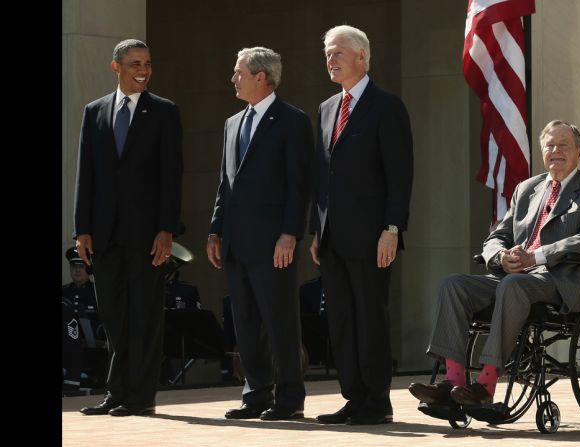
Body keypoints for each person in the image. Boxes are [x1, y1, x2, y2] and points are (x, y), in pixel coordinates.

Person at [408, 120, 580, 409]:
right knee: (453, 284)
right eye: (549, 145)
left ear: (578, 152)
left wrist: (535, 257)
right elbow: (497, 236)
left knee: (513, 285)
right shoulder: (527, 189)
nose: (555, 151)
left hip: (560, 279)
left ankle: (485, 385)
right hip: (515, 275)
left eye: (563, 144)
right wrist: (501, 257)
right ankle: (454, 383)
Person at [73, 38, 183, 417]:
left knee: (145, 316)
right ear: (116, 66)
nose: (144, 70)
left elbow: (172, 176)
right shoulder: (94, 111)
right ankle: (116, 393)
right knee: (115, 316)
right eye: (136, 63)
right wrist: (81, 228)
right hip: (103, 235)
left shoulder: (165, 112)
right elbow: (85, 173)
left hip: (147, 236)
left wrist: (167, 229)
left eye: (148, 63)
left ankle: (140, 397)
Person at [310, 25, 413, 425]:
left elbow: (399, 175)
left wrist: (392, 229)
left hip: (373, 237)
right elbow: (321, 176)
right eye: (327, 54)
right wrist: (316, 231)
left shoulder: (387, 106)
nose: (330, 60)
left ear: (362, 57)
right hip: (332, 236)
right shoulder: (325, 109)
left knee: (370, 317)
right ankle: (353, 397)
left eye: (337, 53)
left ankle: (376, 400)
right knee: (341, 319)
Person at [207, 46, 312, 421]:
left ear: (261, 77)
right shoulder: (232, 123)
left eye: (239, 72)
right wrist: (215, 231)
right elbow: (225, 184)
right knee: (246, 322)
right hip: (236, 241)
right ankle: (255, 394)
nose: (233, 78)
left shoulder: (292, 121)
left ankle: (288, 398)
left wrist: (290, 234)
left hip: (274, 244)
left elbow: (299, 186)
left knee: (279, 320)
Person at [62, 247, 101, 391]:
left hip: (89, 337)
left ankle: (72, 376)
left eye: (81, 266)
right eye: (74, 266)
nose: (77, 270)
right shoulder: (64, 291)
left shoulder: (97, 292)